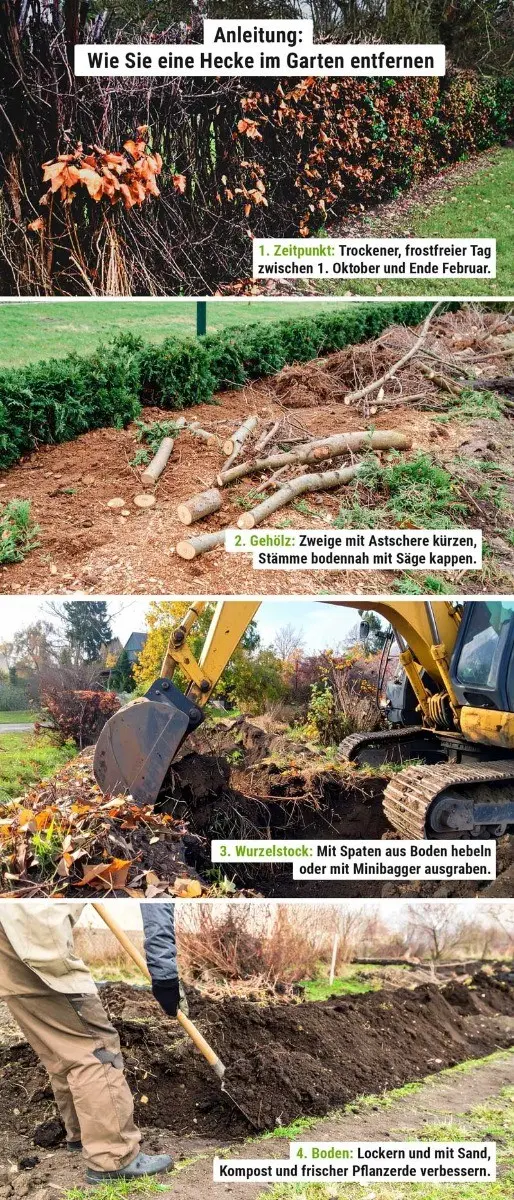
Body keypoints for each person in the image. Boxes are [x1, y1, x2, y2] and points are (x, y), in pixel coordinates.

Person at [0, 901, 182, 1183]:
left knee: (62, 1044)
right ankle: (114, 1156)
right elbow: (157, 906)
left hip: (8, 931)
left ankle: (82, 1135)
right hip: (33, 935)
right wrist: (166, 974)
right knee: (96, 1047)